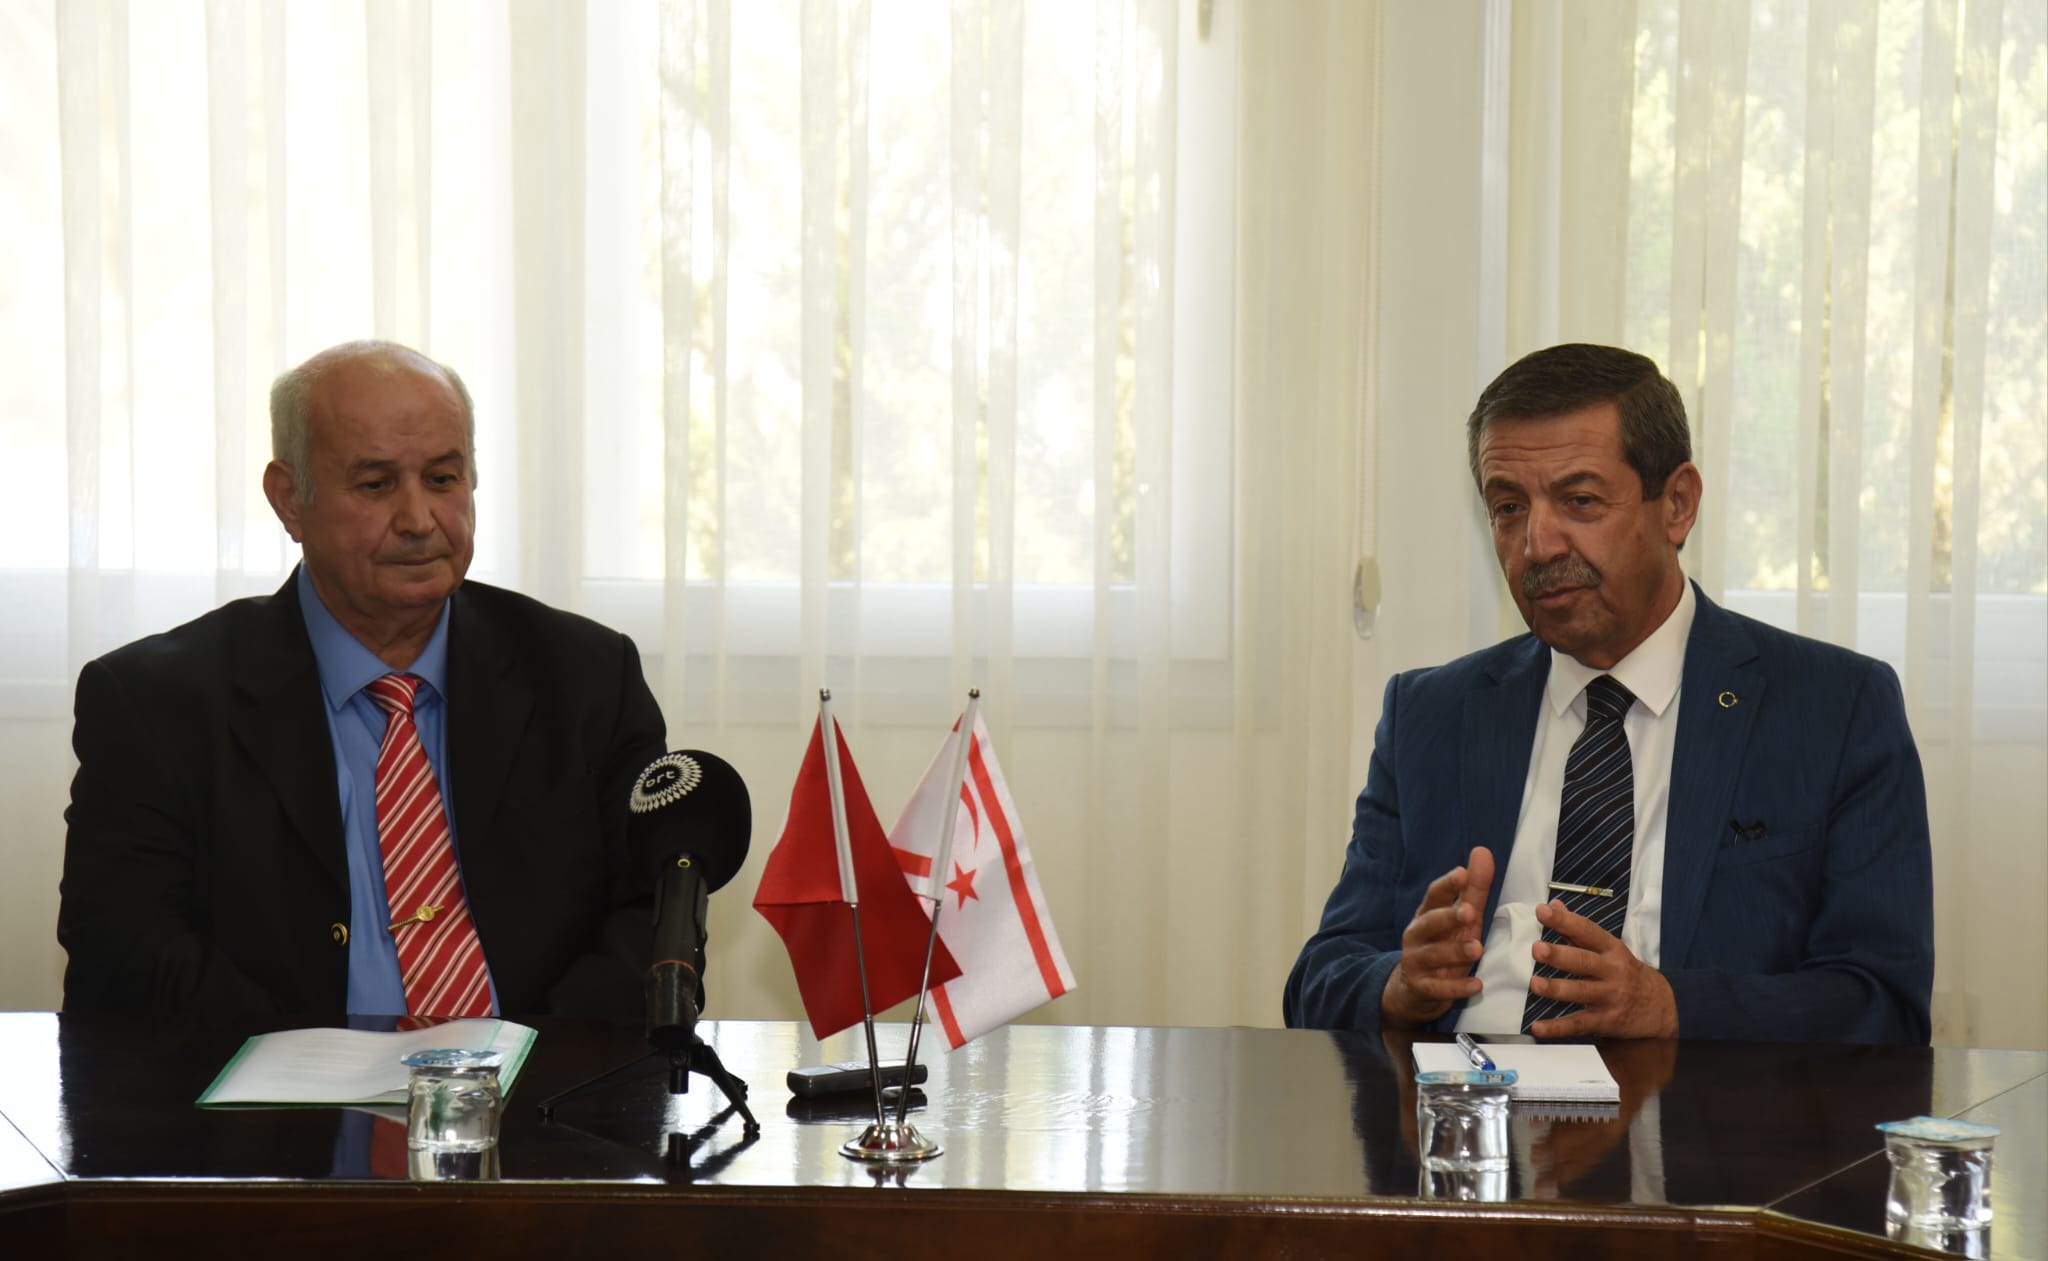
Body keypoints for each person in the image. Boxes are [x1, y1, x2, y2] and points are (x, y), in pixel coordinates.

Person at [1284, 344, 1932, 1045]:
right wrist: (1399, 985)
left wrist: (1672, 1007)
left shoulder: (1834, 710)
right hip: (1469, 1099)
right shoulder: (1430, 715)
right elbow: (1320, 979)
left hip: (1692, 1104)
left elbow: (1883, 1005)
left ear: (1677, 505)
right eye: (1508, 507)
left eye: (1580, 501)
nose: (1536, 544)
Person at [58, 340, 666, 1018]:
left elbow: (656, 914)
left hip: (536, 1075)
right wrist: (313, 1068)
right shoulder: (156, 705)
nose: (418, 520)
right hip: (274, 1080)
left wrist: (530, 1063)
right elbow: (124, 952)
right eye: (376, 485)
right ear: (290, 499)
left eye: (443, 478)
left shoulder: (586, 676)